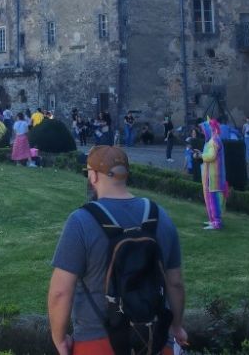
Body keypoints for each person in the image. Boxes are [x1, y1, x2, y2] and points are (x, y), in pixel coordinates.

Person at [48, 145, 187, 355]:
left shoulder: (81, 221)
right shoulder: (161, 216)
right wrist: (176, 326)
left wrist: (59, 339)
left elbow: (60, 291)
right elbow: (175, 283)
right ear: (125, 175)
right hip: (153, 339)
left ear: (93, 176)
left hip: (97, 341)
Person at [197, 119, 228, 230]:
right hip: (210, 175)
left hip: (214, 176)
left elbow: (211, 156)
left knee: (213, 199)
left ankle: (216, 222)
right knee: (210, 198)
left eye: (204, 129)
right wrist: (201, 154)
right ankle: (212, 220)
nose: (203, 132)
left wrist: (201, 156)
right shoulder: (212, 140)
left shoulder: (214, 140)